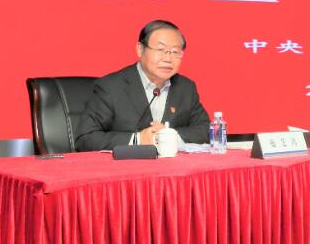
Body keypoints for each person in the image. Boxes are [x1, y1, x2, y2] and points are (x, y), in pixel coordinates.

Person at [75, 20, 210, 151]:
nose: (168, 59)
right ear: (140, 49)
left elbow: (206, 130)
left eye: (175, 52)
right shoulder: (111, 87)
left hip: (173, 165)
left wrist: (172, 136)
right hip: (128, 166)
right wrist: (138, 139)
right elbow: (85, 138)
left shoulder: (186, 88)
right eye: (160, 49)